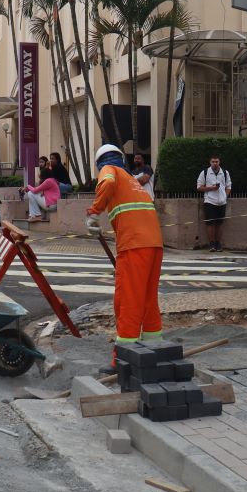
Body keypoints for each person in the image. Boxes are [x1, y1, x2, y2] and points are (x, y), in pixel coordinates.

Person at [85, 143, 163, 371]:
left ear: (101, 161)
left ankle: (122, 360)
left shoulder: (109, 171)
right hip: (154, 244)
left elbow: (107, 183)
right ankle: (154, 349)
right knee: (148, 298)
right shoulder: (131, 179)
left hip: (134, 246)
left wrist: (94, 212)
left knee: (127, 300)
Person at [196, 155, 231, 252]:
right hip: (210, 201)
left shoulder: (224, 172)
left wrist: (225, 196)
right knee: (210, 224)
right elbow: (199, 187)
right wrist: (211, 188)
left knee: (219, 224)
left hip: (222, 202)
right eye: (213, 161)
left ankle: (218, 243)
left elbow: (228, 186)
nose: (215, 163)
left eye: (216, 161)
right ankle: (211, 244)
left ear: (219, 162)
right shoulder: (205, 173)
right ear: (210, 162)